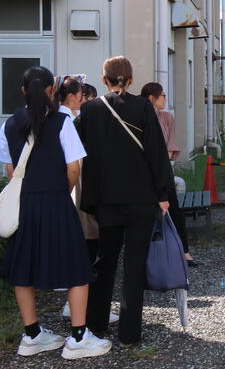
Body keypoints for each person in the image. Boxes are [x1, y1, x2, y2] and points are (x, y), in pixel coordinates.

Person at [0, 66, 111, 360]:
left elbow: (10, 170)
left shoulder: (9, 124)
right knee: (76, 268)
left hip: (24, 204)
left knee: (22, 269)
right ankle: (78, 338)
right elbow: (74, 167)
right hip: (57, 201)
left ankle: (32, 335)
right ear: (52, 90)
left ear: (23, 91)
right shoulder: (62, 121)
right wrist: (62, 190)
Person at [76, 56, 172, 345]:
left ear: (103, 80)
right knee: (134, 263)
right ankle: (130, 332)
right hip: (141, 197)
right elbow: (157, 152)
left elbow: (80, 152)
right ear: (131, 79)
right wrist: (163, 194)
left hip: (105, 198)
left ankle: (96, 323)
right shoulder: (142, 107)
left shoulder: (90, 109)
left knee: (105, 260)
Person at [54, 76, 118, 325]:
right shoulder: (68, 121)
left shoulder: (55, 119)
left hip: (71, 189)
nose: (84, 102)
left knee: (83, 250)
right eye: (83, 97)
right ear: (72, 97)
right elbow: (74, 166)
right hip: (78, 188)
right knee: (88, 252)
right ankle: (83, 311)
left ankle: (80, 307)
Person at [140, 82, 196, 267]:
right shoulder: (140, 116)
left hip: (164, 170)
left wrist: (161, 160)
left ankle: (183, 250)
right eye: (162, 95)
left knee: (174, 210)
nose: (165, 98)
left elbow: (171, 147)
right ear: (151, 98)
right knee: (146, 215)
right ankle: (150, 254)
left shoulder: (166, 117)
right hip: (144, 173)